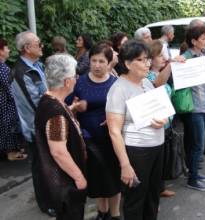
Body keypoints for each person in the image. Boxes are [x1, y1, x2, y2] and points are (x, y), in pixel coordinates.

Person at [106, 40, 167, 220]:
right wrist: (125, 165)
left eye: (148, 59)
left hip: (157, 147)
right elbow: (114, 131)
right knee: (135, 200)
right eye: (141, 60)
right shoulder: (118, 89)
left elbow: (158, 111)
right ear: (127, 63)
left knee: (152, 195)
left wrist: (161, 120)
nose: (147, 63)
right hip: (137, 152)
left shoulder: (147, 83)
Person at [71, 44, 121, 220]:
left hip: (112, 139)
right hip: (89, 140)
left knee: (114, 178)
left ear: (109, 63)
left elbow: (126, 108)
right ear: (89, 61)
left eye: (102, 61)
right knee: (98, 179)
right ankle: (102, 212)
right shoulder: (80, 82)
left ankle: (115, 214)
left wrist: (115, 117)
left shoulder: (116, 83)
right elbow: (67, 109)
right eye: (94, 60)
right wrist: (77, 107)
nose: (97, 65)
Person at [35, 54, 87, 220]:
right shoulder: (55, 112)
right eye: (75, 77)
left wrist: (72, 109)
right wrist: (79, 177)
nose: (76, 79)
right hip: (65, 183)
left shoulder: (49, 100)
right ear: (67, 82)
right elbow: (58, 151)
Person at [10, 31, 53, 216]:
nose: (42, 46)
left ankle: (50, 198)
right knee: (40, 166)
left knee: (47, 165)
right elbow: (37, 104)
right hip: (35, 129)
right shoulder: (21, 72)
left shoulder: (35, 65)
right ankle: (45, 204)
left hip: (43, 125)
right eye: (38, 43)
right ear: (27, 48)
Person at [181, 25, 205, 191]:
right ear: (194, 41)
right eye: (204, 38)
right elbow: (178, 80)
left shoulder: (202, 54)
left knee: (199, 143)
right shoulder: (185, 57)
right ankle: (192, 179)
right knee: (197, 144)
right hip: (194, 107)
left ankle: (194, 173)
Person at [147, 40, 175, 198]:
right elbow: (159, 84)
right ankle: (153, 194)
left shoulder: (158, 73)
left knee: (163, 159)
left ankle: (160, 188)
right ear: (151, 59)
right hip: (157, 125)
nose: (164, 58)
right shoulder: (150, 75)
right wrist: (171, 64)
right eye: (159, 55)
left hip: (166, 124)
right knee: (156, 161)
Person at [0, 38, 27, 161]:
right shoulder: (3, 68)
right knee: (9, 125)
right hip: (6, 102)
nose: (9, 50)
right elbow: (9, 87)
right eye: (6, 48)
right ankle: (11, 152)